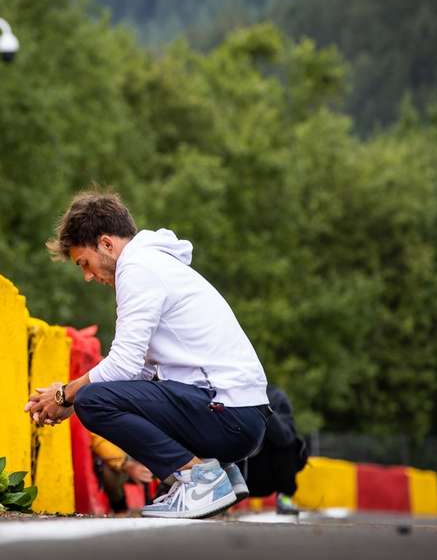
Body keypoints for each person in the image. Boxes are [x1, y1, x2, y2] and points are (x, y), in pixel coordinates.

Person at [24, 189, 271, 519]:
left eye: (84, 263)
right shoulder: (153, 263)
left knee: (93, 401)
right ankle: (222, 470)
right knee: (99, 396)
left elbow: (123, 364)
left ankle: (199, 479)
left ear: (107, 244)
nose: (86, 276)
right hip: (239, 414)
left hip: (229, 415)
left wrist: (65, 395)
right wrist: (69, 397)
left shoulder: (138, 268)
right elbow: (137, 373)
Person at [238, 385, 308, 515]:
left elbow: (286, 437)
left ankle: (285, 498)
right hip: (234, 468)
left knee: (293, 442)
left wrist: (263, 409)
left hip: (264, 471)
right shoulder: (223, 392)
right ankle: (214, 498)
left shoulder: (276, 397)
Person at [90, 432, 154, 514]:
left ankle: (157, 500)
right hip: (118, 464)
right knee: (105, 468)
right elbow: (99, 439)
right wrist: (125, 463)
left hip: (140, 458)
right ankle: (119, 506)